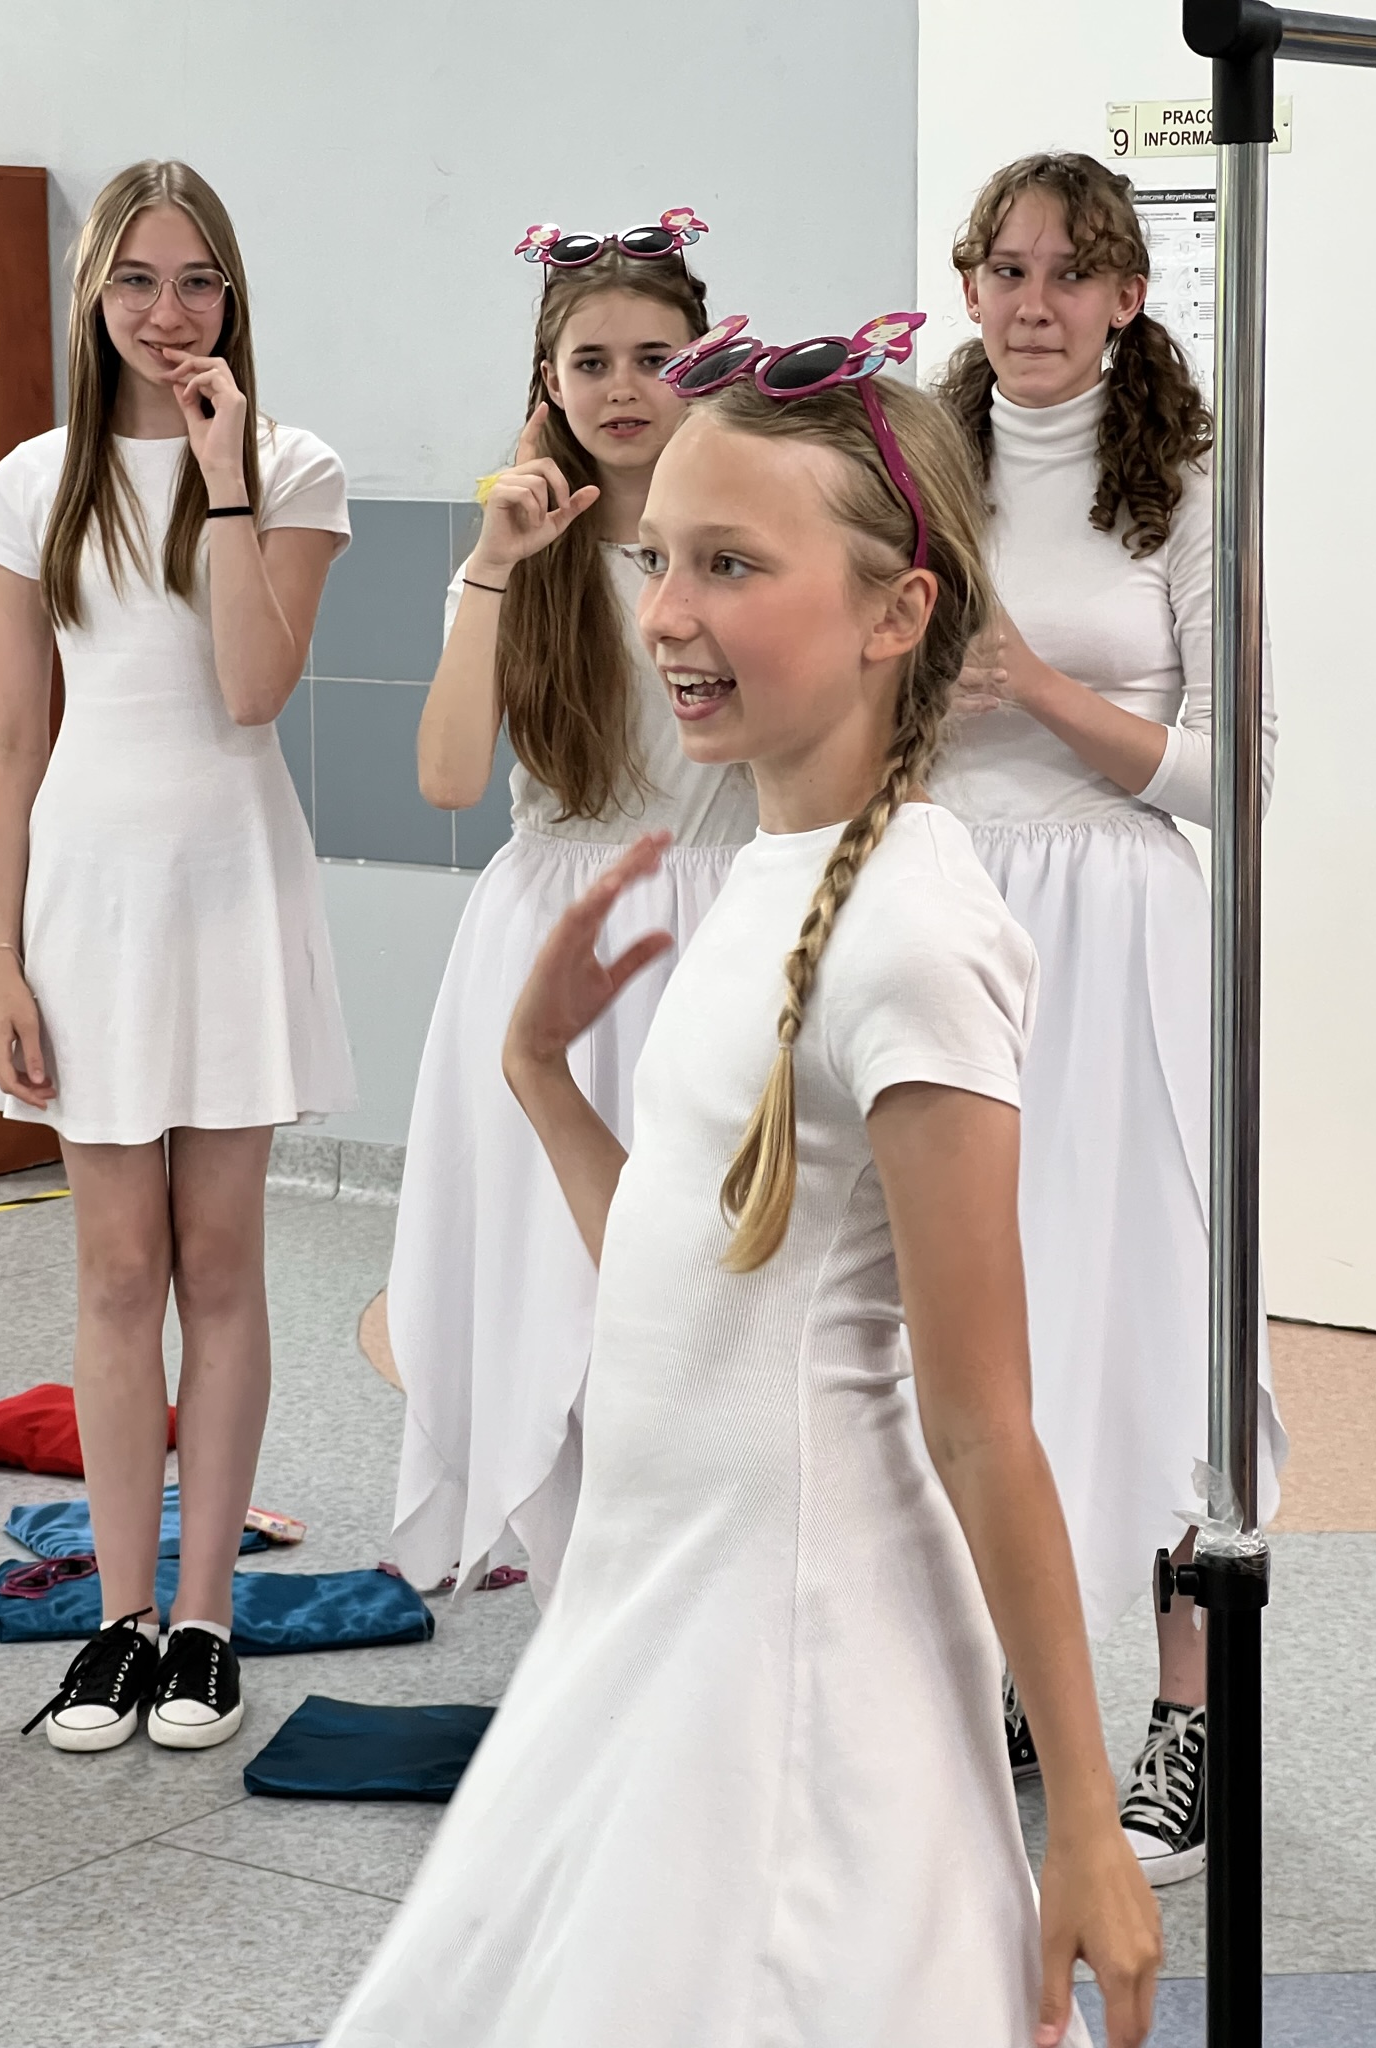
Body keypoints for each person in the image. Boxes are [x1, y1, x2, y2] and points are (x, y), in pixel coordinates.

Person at [323, 315, 1161, 2048]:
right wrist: (544, 1084)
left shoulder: (913, 935)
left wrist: (1084, 1820)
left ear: (895, 613)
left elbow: (985, 1427)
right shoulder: (773, 867)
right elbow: (694, 1279)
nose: (664, 617)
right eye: (659, 560)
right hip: (661, 1616)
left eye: (730, 565)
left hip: (797, 1672)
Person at [933, 150, 1288, 1883]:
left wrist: (1039, 688)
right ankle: (1015, 1673)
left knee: (1144, 1315)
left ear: (1130, 296)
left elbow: (1241, 778)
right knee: (975, 1321)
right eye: (1006, 269)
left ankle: (1184, 1720)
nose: (1036, 303)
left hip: (1125, 929)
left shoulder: (1190, 485)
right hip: (952, 920)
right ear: (969, 285)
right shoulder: (922, 467)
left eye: (1071, 272)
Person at [0, 158, 354, 1752]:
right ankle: (117, 1625)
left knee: (222, 1264)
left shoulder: (293, 464)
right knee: (117, 1271)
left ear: (233, 296)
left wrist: (227, 476)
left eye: (198, 280)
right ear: (94, 294)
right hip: (90, 901)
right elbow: (9, 734)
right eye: (137, 278)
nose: (167, 310)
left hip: (232, 890)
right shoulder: (33, 479)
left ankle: (205, 1625)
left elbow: (255, 690)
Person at [385, 213, 756, 1605]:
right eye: (589, 361)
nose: (622, 388)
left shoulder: (743, 550)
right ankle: (579, 1596)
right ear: (548, 383)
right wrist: (495, 564)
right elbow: (444, 779)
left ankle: (691, 1587)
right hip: (549, 942)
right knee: (555, 1288)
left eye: (655, 357)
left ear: (705, 368)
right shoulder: (516, 566)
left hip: (710, 934)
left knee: (698, 1291)